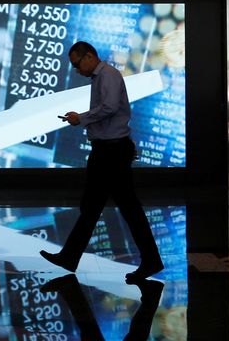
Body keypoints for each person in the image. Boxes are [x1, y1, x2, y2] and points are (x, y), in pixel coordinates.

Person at [40, 41, 164, 282]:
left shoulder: (108, 75)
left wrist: (81, 118)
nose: (77, 70)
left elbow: (108, 107)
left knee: (122, 207)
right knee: (94, 205)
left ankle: (151, 260)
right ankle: (70, 256)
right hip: (107, 150)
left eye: (77, 64)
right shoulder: (101, 77)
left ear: (89, 57)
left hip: (112, 152)